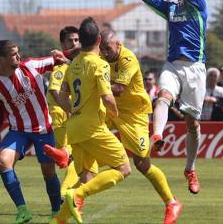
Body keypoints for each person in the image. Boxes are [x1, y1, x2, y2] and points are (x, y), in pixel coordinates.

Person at [137, 0, 206, 194]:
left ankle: (190, 168)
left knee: (192, 124)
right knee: (162, 96)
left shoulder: (198, 2)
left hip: (196, 70)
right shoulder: (172, 10)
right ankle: (157, 135)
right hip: (172, 66)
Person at [50, 17, 132, 224]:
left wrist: (73, 110)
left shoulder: (73, 64)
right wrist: (114, 113)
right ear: (98, 39)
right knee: (123, 168)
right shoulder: (100, 65)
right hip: (92, 128)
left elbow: (59, 95)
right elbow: (107, 96)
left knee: (87, 176)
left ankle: (58, 220)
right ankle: (74, 194)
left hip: (74, 128)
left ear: (83, 40)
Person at [98, 29, 182, 223]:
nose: (105, 52)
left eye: (108, 48)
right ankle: (73, 196)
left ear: (118, 44)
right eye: (101, 48)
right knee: (88, 138)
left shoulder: (128, 59)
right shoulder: (101, 55)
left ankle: (171, 203)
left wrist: (95, 82)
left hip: (134, 115)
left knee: (142, 164)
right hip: (111, 109)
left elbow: (118, 89)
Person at [0, 40, 68, 224]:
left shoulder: (31, 66)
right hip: (19, 131)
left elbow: (59, 59)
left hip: (43, 129)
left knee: (48, 172)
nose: (18, 56)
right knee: (3, 161)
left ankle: (56, 212)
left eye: (18, 52)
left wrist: (69, 54)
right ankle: (23, 211)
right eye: (14, 54)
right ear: (2, 59)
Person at [44, 26, 87, 200]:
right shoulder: (60, 66)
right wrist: (69, 110)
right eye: (70, 40)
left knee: (76, 157)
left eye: (77, 40)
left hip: (68, 114)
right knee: (72, 157)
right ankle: (64, 194)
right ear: (62, 43)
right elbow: (54, 91)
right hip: (61, 115)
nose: (74, 43)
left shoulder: (72, 64)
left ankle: (68, 195)